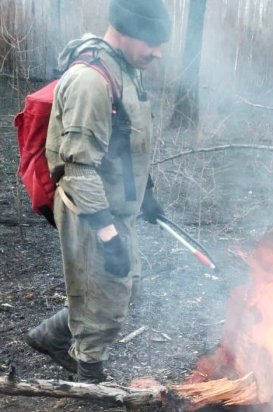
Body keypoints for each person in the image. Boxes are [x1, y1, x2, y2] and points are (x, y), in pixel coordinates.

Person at [24, 0, 171, 383]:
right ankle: (88, 378)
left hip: (115, 204)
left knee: (126, 288)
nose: (158, 52)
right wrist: (107, 235)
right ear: (122, 29)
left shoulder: (127, 68)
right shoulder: (91, 80)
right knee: (102, 303)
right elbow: (78, 168)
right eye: (151, 42)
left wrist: (146, 192)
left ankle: (51, 336)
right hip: (90, 208)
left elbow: (129, 142)